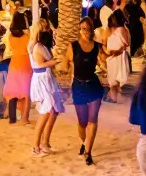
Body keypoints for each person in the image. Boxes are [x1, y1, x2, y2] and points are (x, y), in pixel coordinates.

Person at [65, 17, 105, 166]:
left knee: (92, 120)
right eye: (84, 29)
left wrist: (110, 59)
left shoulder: (97, 46)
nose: (87, 32)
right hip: (79, 86)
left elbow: (103, 60)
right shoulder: (73, 46)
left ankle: (88, 152)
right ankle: (84, 142)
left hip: (93, 85)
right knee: (82, 122)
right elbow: (66, 64)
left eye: (89, 29)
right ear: (80, 30)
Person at [28, 18, 65, 156]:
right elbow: (40, 63)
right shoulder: (37, 46)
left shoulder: (43, 45)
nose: (48, 31)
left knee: (54, 111)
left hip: (48, 78)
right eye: (45, 29)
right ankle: (35, 146)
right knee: (45, 112)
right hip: (42, 79)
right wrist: (54, 61)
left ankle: (45, 143)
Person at [3, 12, 33, 124]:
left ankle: (12, 118)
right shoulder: (28, 37)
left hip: (14, 63)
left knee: (12, 90)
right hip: (25, 63)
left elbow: (9, 49)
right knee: (26, 91)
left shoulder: (10, 37)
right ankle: (25, 118)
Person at [103, 11, 131, 103]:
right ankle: (113, 97)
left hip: (117, 57)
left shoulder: (121, 30)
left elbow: (125, 44)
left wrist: (116, 52)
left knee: (114, 80)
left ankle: (114, 98)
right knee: (114, 80)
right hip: (113, 58)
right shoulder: (119, 30)